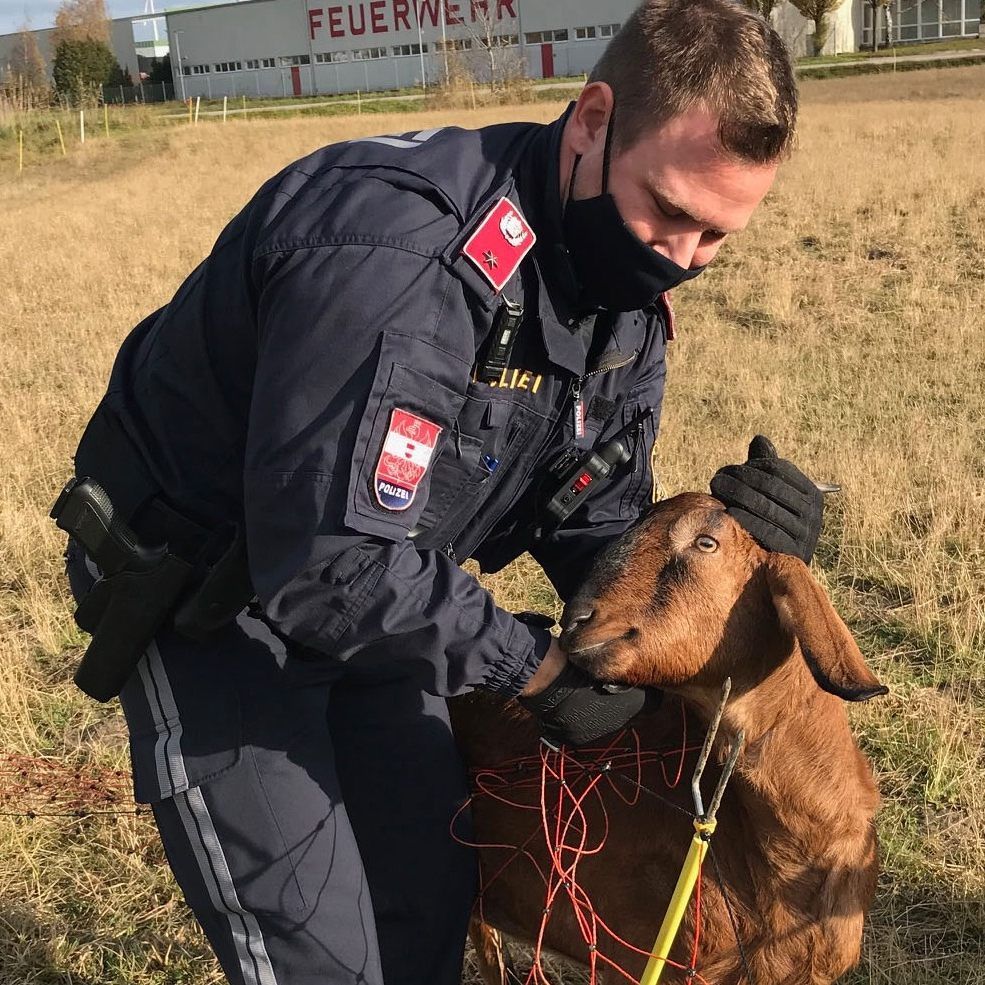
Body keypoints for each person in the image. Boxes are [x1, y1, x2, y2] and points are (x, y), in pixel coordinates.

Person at [58, 1, 824, 982]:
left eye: (718, 235)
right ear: (591, 123)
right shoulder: (397, 255)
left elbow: (591, 522)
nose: (682, 257)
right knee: (317, 955)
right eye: (669, 211)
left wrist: (736, 547)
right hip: (211, 603)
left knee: (425, 900)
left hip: (391, 595)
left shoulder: (622, 308)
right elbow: (325, 560)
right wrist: (537, 675)